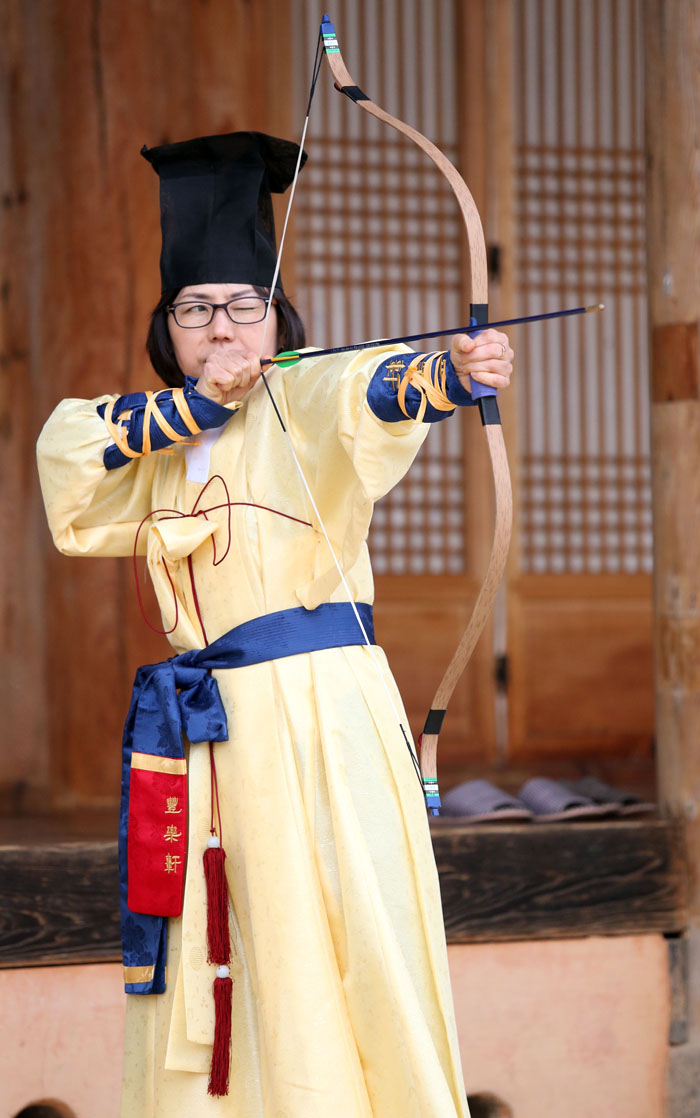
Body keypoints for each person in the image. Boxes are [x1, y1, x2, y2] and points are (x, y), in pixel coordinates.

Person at [37, 131, 513, 1118]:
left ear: (276, 317)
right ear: (168, 327)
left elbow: (373, 389)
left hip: (319, 714)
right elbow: (69, 452)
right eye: (195, 309)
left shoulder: (303, 392)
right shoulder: (155, 435)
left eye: (242, 306)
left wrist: (449, 373)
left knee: (342, 930)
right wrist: (197, 410)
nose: (220, 328)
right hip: (209, 734)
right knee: (229, 943)